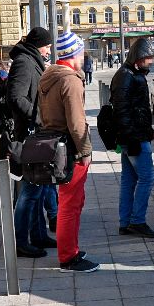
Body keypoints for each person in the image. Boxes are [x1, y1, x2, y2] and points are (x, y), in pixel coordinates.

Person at [39, 31, 98, 272]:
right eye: (82, 51)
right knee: (70, 205)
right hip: (71, 149)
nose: (84, 56)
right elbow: (77, 122)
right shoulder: (70, 80)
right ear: (75, 53)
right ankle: (68, 257)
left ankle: (69, 248)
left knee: (68, 202)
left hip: (57, 145)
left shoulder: (49, 76)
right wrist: (86, 151)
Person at [6, 26, 55, 258]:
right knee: (30, 191)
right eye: (47, 45)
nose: (49, 49)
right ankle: (21, 241)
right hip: (29, 133)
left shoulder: (31, 59)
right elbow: (16, 97)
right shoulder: (24, 62)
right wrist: (38, 118)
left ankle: (38, 235)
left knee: (40, 187)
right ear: (38, 45)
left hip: (36, 132)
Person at [110, 37, 154, 239]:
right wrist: (131, 138)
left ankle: (126, 223)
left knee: (129, 180)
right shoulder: (126, 76)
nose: (151, 61)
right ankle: (137, 221)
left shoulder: (130, 73)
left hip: (133, 136)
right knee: (148, 178)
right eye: (148, 57)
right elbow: (122, 111)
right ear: (138, 57)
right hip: (134, 137)